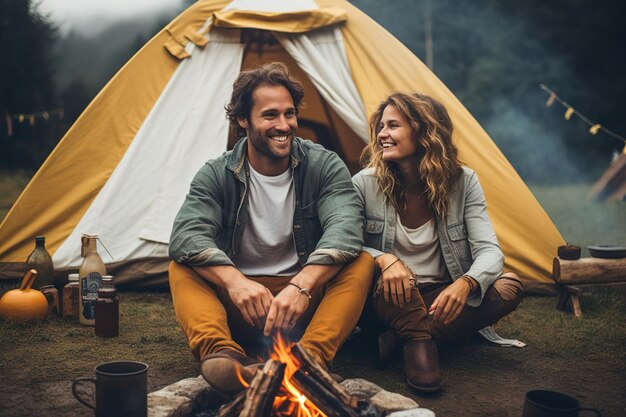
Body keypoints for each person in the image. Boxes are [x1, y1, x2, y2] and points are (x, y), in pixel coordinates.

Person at [168, 62, 374, 397]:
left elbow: (346, 228)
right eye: (270, 115)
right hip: (244, 305)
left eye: (289, 114)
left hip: (302, 307)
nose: (284, 125)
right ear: (242, 120)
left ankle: (309, 361)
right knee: (182, 265)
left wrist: (302, 284)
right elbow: (186, 236)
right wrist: (235, 281)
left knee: (361, 261)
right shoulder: (216, 174)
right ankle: (226, 356)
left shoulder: (324, 165)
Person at [352, 92, 523, 392]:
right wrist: (385, 260)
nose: (382, 135)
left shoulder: (463, 182)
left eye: (393, 126)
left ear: (423, 130)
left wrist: (467, 283)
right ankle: (420, 344)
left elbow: (490, 251)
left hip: (439, 294)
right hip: (389, 296)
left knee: (510, 286)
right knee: (401, 285)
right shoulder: (364, 184)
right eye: (381, 126)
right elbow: (347, 244)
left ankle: (400, 339)